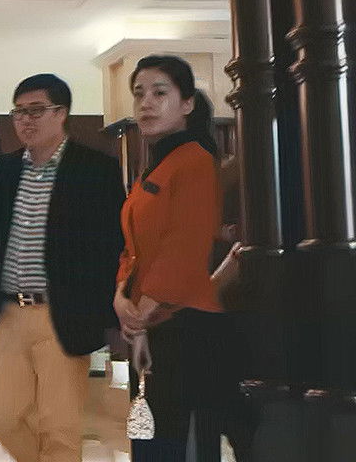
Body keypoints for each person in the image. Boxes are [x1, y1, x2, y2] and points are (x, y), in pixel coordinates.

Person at [0, 73, 124, 462]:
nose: (25, 120)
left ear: (61, 113)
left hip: (63, 312)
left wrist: (105, 312)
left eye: (36, 110)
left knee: (59, 427)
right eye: (18, 112)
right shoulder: (5, 170)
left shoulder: (94, 168)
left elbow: (111, 246)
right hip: (9, 311)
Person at [114, 55, 235, 461]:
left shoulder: (195, 160)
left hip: (185, 325)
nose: (146, 102)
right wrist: (121, 296)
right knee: (149, 439)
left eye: (159, 93)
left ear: (187, 104)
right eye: (139, 94)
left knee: (177, 444)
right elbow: (133, 247)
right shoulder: (154, 168)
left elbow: (185, 244)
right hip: (149, 322)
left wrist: (143, 313)